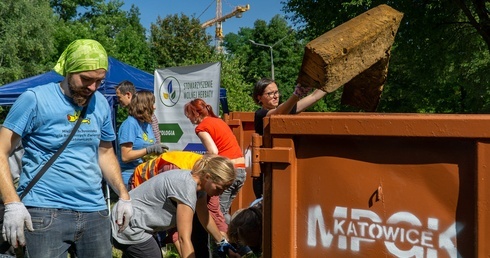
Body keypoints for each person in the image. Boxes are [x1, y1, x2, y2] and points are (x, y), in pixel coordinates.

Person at [0, 39, 133, 258]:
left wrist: (124, 195)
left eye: (99, 81)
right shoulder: (35, 99)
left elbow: (106, 152)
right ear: (69, 70)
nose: (92, 87)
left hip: (95, 212)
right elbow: (1, 150)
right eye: (86, 79)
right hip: (44, 213)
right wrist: (12, 203)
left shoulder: (99, 102)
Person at [111, 154, 237, 258]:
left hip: (135, 225)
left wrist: (222, 242)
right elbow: (183, 239)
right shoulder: (186, 187)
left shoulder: (199, 186)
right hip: (130, 226)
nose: (221, 192)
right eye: (220, 188)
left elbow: (205, 217)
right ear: (208, 177)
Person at [252, 78, 327, 198]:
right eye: (269, 93)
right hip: (264, 179)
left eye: (276, 92)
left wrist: (329, 83)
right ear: (259, 97)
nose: (275, 96)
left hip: (279, 175)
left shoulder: (285, 110)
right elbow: (278, 113)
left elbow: (314, 97)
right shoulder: (260, 114)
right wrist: (296, 94)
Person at [184, 98, 247, 224]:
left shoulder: (201, 128)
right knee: (222, 214)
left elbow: (213, 152)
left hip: (226, 173)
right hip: (240, 171)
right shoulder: (218, 121)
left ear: (196, 113)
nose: (189, 119)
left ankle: (227, 241)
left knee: (216, 217)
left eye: (189, 115)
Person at [117, 90, 168, 188]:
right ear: (143, 106)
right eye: (152, 104)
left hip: (145, 174)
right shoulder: (130, 124)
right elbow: (125, 156)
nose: (154, 107)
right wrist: (148, 150)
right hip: (130, 177)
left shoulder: (147, 124)